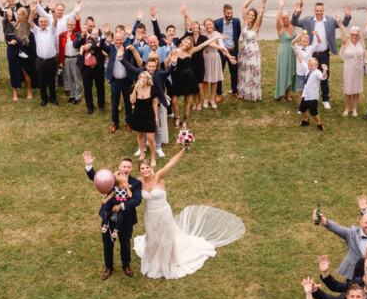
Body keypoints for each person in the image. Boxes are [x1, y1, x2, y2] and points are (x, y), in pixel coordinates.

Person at [132, 150, 246, 280]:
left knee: (166, 237)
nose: (145, 170)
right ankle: (153, 258)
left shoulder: (158, 176)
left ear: (150, 167)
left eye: (147, 167)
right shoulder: (138, 182)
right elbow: (123, 181)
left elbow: (170, 163)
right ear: (139, 170)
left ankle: (167, 261)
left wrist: (182, 151)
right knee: (152, 236)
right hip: (149, 215)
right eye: (142, 168)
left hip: (163, 213)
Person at [83, 152, 142, 280]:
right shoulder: (112, 178)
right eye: (124, 166)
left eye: (129, 167)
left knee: (125, 242)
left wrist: (121, 206)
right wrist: (89, 166)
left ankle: (126, 265)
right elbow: (96, 178)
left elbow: (137, 200)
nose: (126, 169)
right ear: (120, 167)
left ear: (131, 169)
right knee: (107, 243)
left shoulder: (136, 183)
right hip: (108, 217)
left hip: (126, 218)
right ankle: (108, 267)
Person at [291, 0, 351, 110]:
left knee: (324, 76)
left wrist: (347, 16)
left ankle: (325, 99)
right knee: (309, 76)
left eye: (321, 10)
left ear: (323, 11)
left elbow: (343, 24)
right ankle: (309, 98)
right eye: (317, 10)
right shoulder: (308, 20)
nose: (319, 12)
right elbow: (294, 22)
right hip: (311, 55)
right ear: (314, 11)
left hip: (324, 54)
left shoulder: (330, 20)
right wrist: (296, 13)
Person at [235, 0, 266, 102]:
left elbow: (261, 16)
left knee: (252, 71)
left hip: (253, 52)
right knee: (244, 72)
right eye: (250, 14)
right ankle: (243, 92)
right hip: (244, 51)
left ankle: (252, 94)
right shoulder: (245, 22)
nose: (251, 16)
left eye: (253, 15)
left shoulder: (256, 25)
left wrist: (263, 5)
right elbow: (244, 7)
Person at [127, 71, 159, 166]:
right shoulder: (134, 89)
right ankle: (142, 153)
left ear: (148, 79)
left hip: (149, 115)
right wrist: (135, 90)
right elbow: (132, 101)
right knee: (140, 135)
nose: (142, 79)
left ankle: (153, 157)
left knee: (150, 139)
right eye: (141, 77)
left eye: (144, 77)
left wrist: (156, 117)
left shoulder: (152, 89)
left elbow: (154, 103)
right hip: (137, 115)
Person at [213, 2, 242, 99]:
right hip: (221, 52)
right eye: (228, 13)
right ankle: (219, 93)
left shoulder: (236, 21)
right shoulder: (217, 23)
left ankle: (234, 90)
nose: (230, 15)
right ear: (224, 13)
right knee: (219, 73)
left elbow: (237, 34)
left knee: (234, 72)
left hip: (232, 50)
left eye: (231, 13)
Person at [339, 23, 367, 117]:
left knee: (356, 90)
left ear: (358, 35)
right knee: (348, 90)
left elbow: (365, 30)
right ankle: (347, 108)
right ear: (350, 34)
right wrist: (339, 22)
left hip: (358, 69)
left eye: (356, 34)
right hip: (348, 69)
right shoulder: (346, 42)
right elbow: (343, 32)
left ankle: (354, 109)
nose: (354, 36)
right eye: (352, 34)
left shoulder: (361, 42)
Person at [273, 0, 296, 102]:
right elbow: (277, 19)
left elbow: (298, 13)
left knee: (291, 71)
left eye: (286, 18)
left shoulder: (292, 24)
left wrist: (301, 1)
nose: (285, 20)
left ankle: (288, 93)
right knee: (283, 72)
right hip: (283, 52)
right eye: (284, 19)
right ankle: (281, 94)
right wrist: (281, 7)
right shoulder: (280, 28)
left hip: (292, 51)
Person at [297, 56, 327, 130]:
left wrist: (325, 70)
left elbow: (323, 77)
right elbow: (302, 62)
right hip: (306, 95)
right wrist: (297, 54)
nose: (310, 67)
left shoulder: (317, 73)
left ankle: (319, 124)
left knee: (314, 112)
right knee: (302, 109)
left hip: (313, 96)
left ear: (316, 66)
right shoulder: (308, 70)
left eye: (312, 66)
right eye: (309, 65)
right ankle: (305, 120)